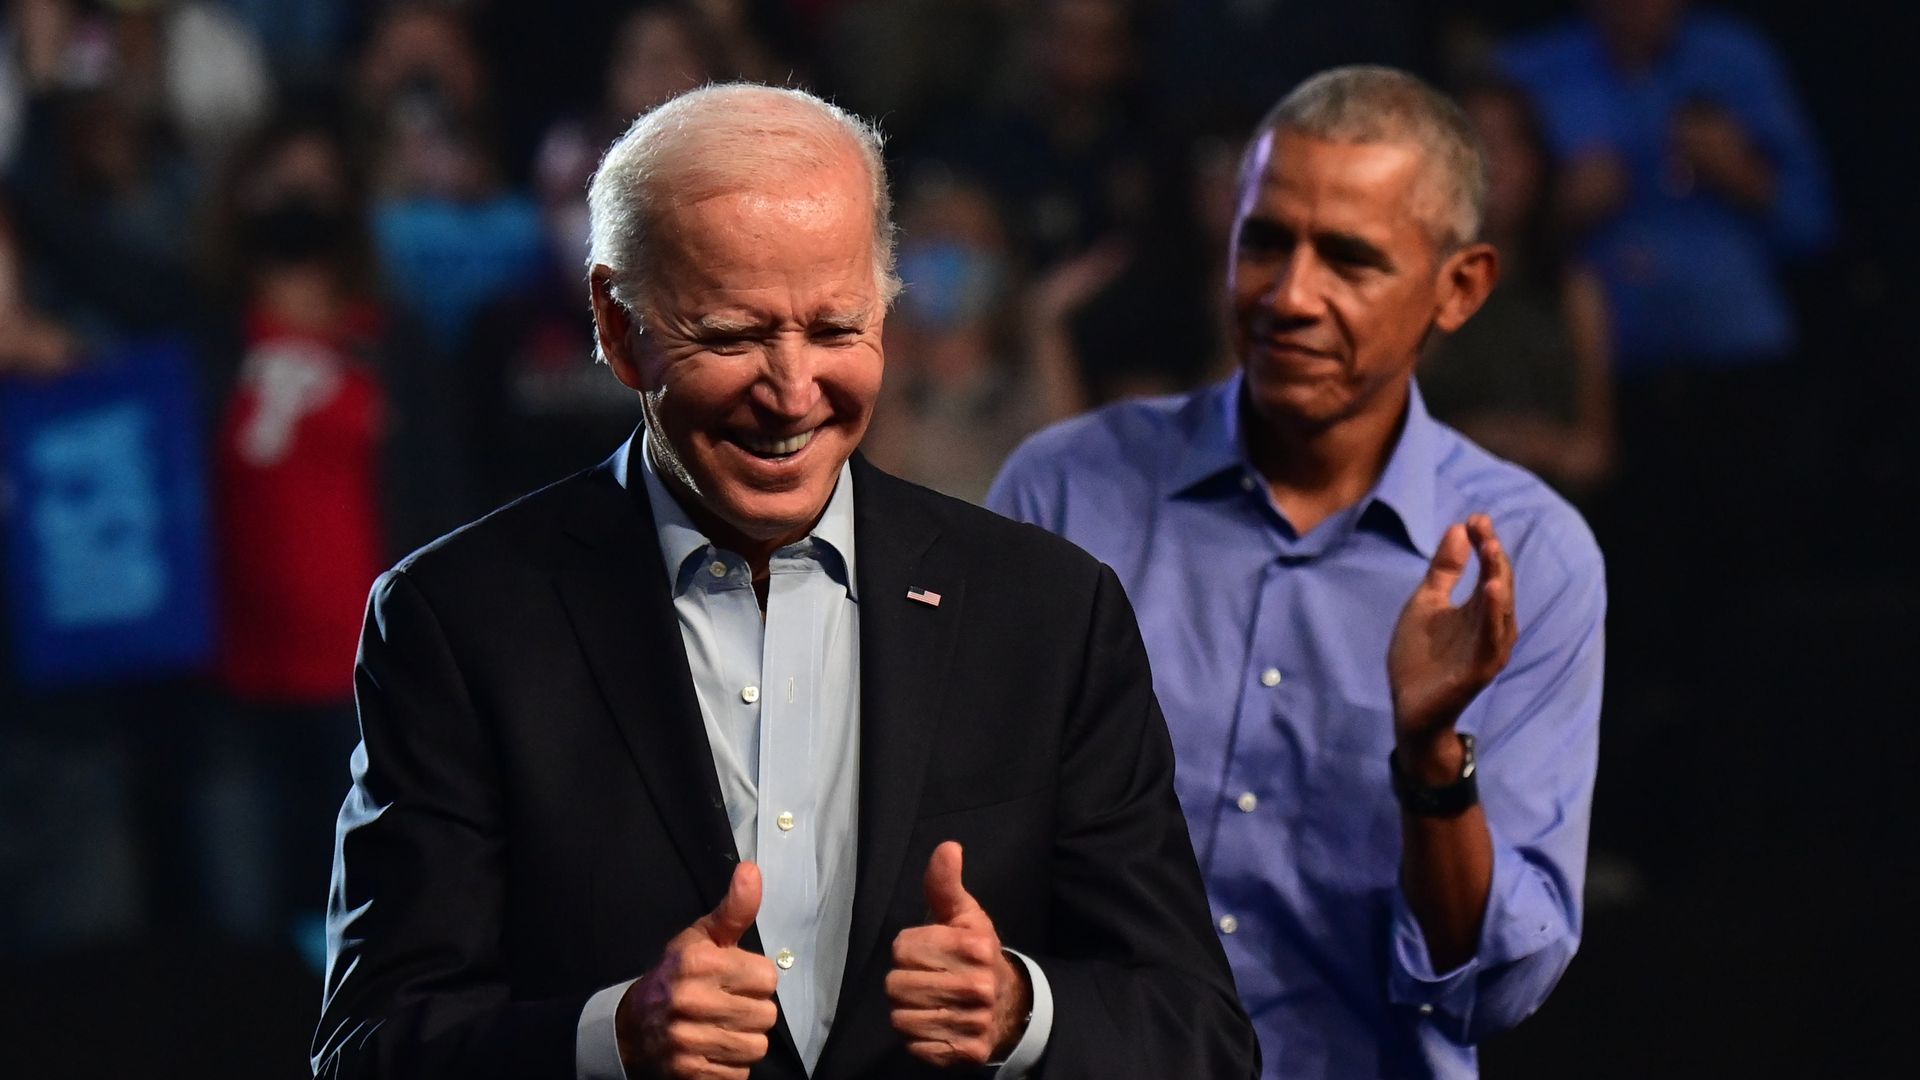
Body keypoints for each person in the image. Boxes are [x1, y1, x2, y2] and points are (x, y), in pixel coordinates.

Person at [313, 83, 1256, 1080]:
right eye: (731, 335)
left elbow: (1200, 1038)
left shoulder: (1050, 616)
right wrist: (611, 1038)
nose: (794, 391)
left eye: (838, 329)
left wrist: (1023, 1012)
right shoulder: (458, 624)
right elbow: (371, 1052)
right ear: (616, 322)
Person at [990, 66, 1604, 1078]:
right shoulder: (1067, 489)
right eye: (1265, 240)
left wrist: (1430, 758)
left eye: (1351, 260)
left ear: (1460, 288)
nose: (1289, 295)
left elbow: (1496, 982)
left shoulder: (1529, 560)